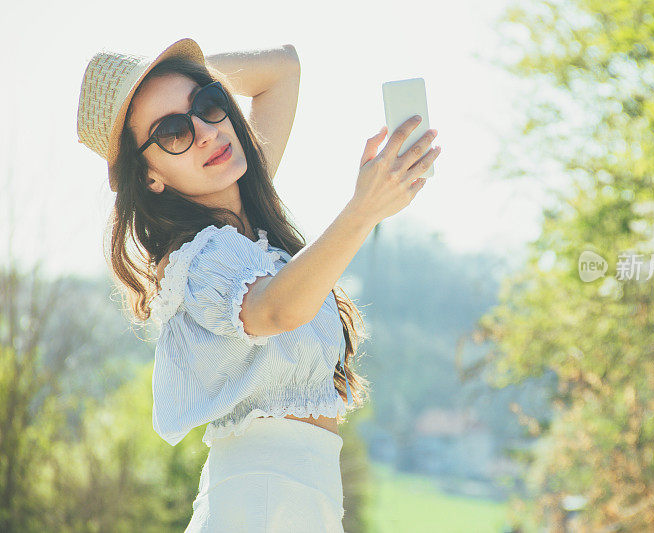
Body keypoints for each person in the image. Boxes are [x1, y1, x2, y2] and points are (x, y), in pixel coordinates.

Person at [76, 37, 441, 532]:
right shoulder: (199, 259)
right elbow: (275, 311)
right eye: (172, 133)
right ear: (151, 175)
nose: (206, 133)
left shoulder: (247, 234)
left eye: (208, 105)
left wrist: (180, 73)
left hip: (296, 506)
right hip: (259, 506)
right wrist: (364, 209)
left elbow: (283, 69)